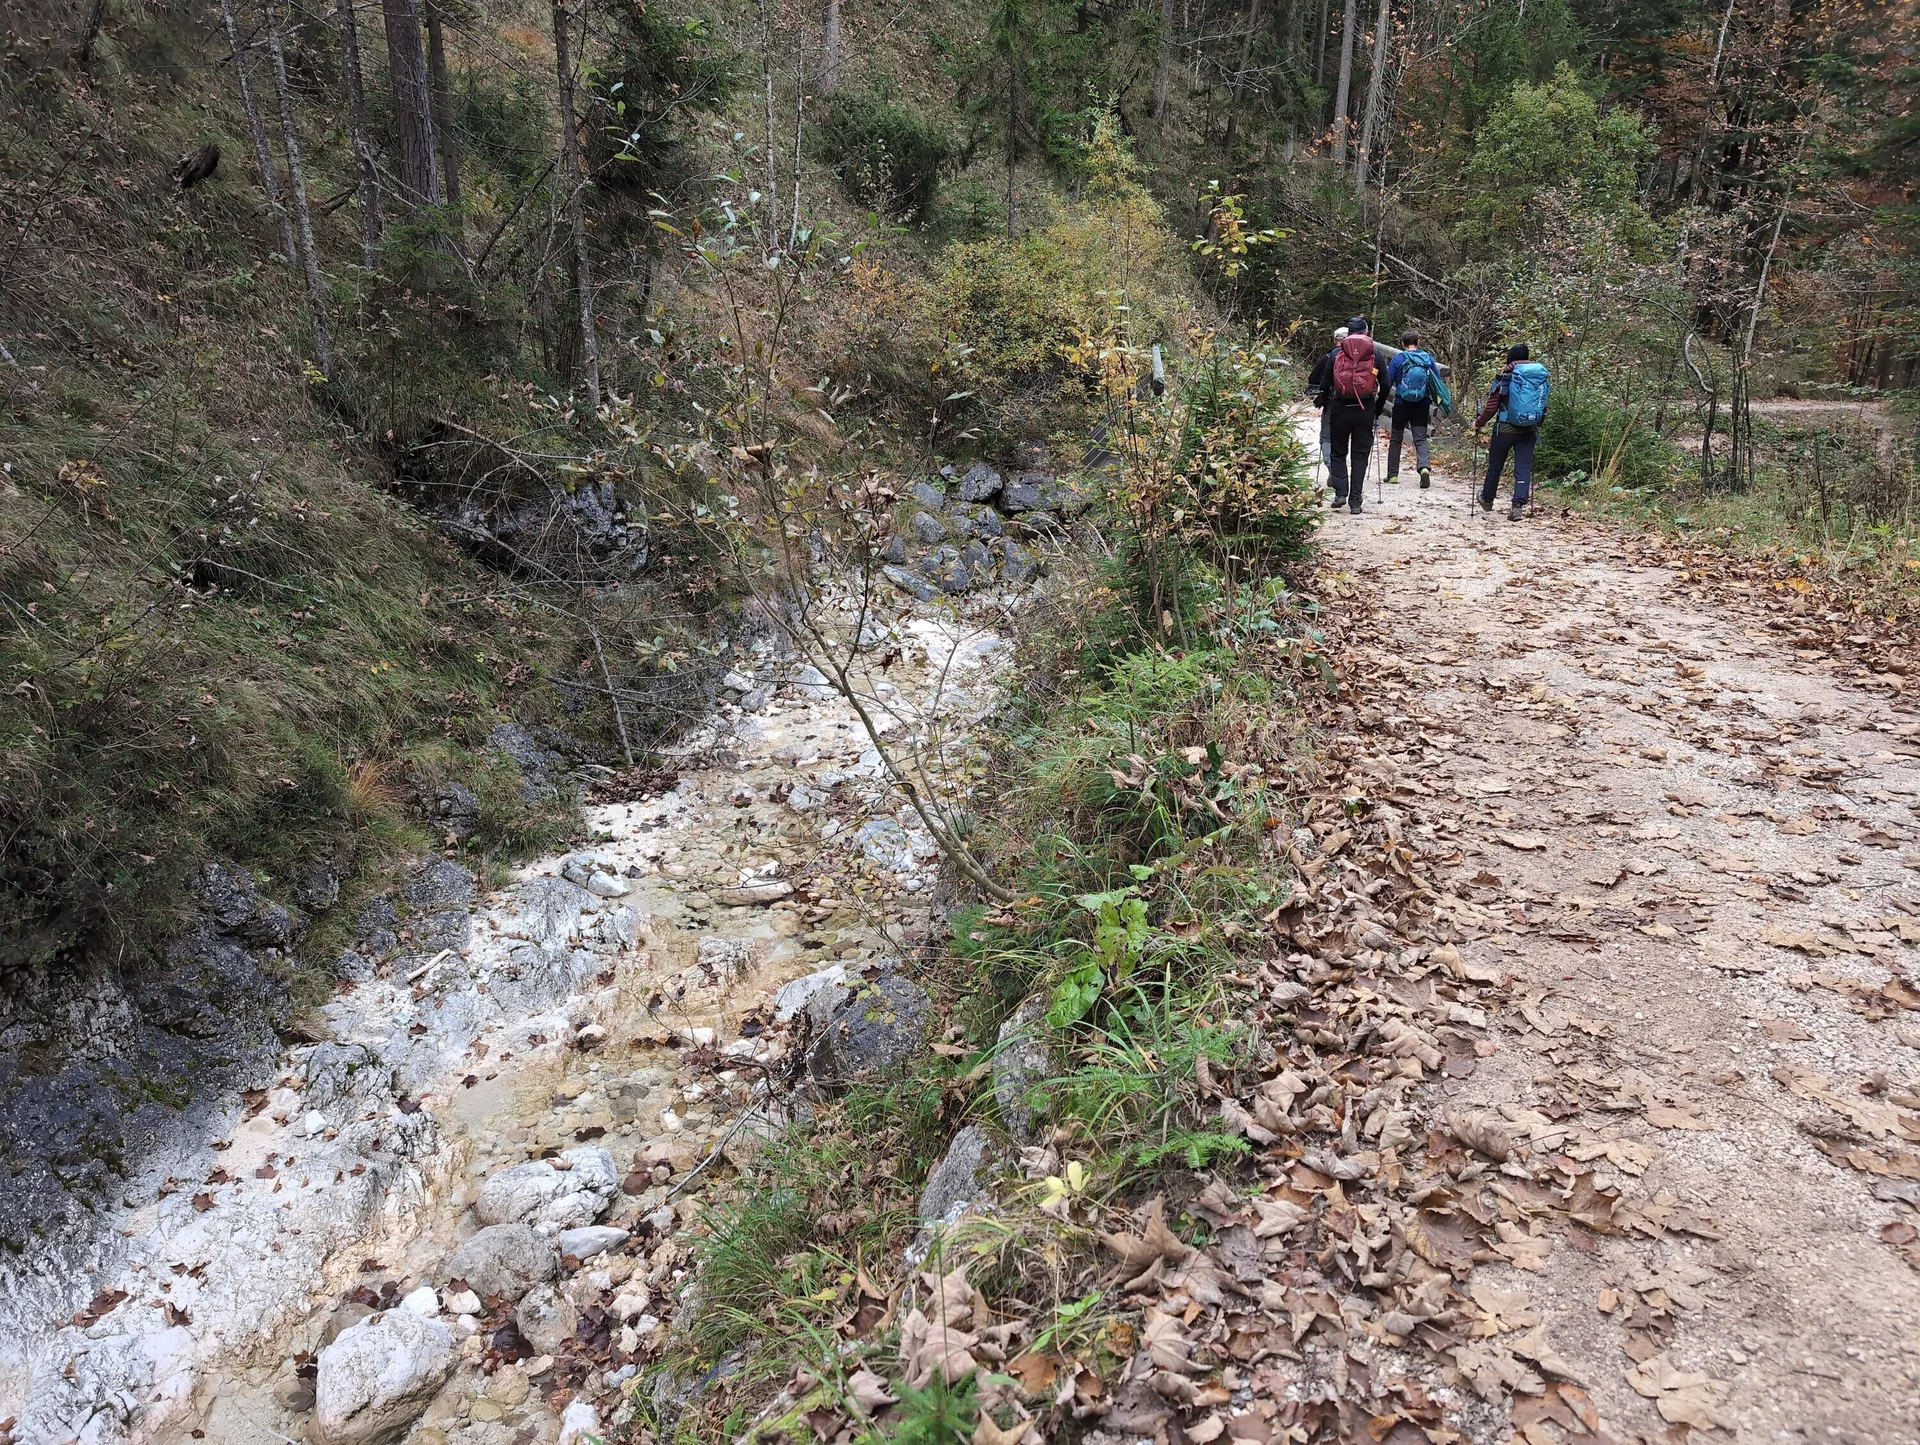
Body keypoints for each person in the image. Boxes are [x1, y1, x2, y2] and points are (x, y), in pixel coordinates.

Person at [1473, 343, 1552, 520]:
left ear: (1510, 358)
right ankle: (1517, 507)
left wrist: (1478, 423)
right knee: (1523, 467)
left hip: (1505, 430)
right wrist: (1537, 423)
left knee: (1495, 465)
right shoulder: (1537, 378)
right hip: (1529, 430)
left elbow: (1491, 407)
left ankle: (1487, 499)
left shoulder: (1506, 377)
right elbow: (1542, 404)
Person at [1325, 316, 1392, 514]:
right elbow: (1386, 384)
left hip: (1340, 408)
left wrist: (1327, 400)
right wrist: (1378, 407)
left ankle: (1340, 493)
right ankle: (1355, 502)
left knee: (1337, 452)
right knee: (1360, 455)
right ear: (1366, 332)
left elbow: (1324, 383)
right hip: (1365, 408)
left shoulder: (1337, 352)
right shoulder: (1375, 352)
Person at [1384, 330, 1450, 490]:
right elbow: (1436, 380)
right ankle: (1424, 468)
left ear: (1402, 343)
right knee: (1420, 438)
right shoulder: (1427, 358)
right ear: (1418, 342)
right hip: (1422, 403)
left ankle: (1393, 475)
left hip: (1401, 402)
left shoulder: (1398, 358)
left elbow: (1388, 379)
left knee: (1396, 438)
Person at [1306, 326, 1349, 472]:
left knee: (1327, 437)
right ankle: (1347, 472)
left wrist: (1322, 397)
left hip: (1333, 402)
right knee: (1345, 438)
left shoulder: (1329, 357)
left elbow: (1313, 379)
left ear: (1334, 339)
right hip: (1357, 404)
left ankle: (1332, 468)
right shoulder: (1360, 357)